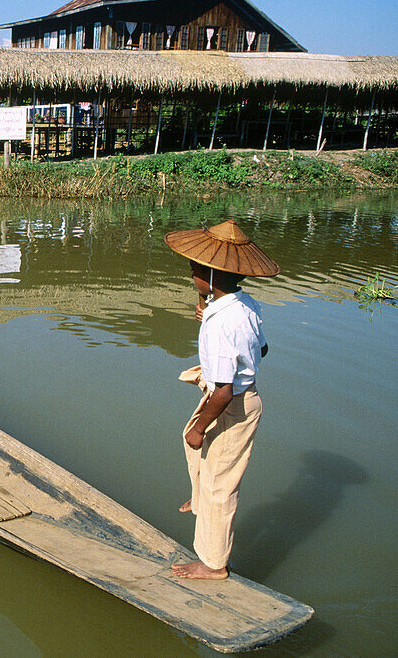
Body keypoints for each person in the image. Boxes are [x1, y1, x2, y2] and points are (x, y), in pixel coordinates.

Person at [164, 219, 279, 580]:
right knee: (193, 444)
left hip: (234, 404)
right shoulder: (244, 305)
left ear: (214, 277)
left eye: (197, 269)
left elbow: (226, 390)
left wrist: (201, 426)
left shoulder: (222, 324)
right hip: (230, 397)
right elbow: (262, 348)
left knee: (220, 485)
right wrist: (206, 303)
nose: (191, 271)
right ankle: (200, 500)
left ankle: (213, 564)